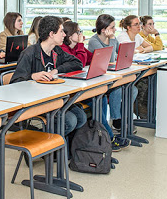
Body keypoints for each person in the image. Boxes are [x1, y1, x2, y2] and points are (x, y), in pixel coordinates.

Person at [11, 16, 87, 136]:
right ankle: (49, 148)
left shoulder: (56, 50)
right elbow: (14, 84)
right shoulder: (29, 53)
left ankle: (62, 149)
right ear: (51, 34)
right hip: (37, 101)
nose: (64, 35)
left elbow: (77, 63)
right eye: (61, 31)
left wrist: (56, 70)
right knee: (69, 121)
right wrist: (32, 76)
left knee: (81, 117)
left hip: (54, 98)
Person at [62, 21, 129, 151]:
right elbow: (79, 63)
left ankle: (102, 134)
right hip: (71, 89)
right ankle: (108, 137)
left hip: (80, 84)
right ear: (70, 36)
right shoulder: (64, 49)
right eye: (78, 32)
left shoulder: (77, 47)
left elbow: (92, 57)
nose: (81, 34)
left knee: (101, 98)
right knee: (97, 99)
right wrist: (81, 44)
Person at [88, 14, 138, 134]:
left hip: (108, 74)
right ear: (104, 29)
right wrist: (112, 39)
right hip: (97, 79)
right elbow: (110, 58)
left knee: (133, 90)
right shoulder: (94, 41)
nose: (115, 29)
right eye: (112, 27)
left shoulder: (110, 39)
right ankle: (116, 120)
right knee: (118, 90)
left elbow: (119, 53)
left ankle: (123, 116)